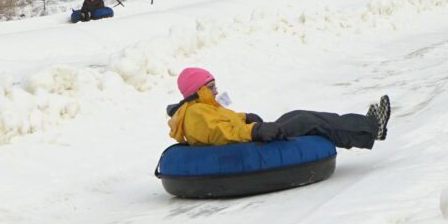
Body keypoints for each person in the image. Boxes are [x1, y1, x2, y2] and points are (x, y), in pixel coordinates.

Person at [165, 66, 388, 151]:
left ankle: (365, 125)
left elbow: (225, 123)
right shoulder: (196, 114)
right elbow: (221, 134)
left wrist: (245, 118)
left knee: (296, 115)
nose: (216, 91)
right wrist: (254, 130)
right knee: (307, 122)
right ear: (197, 90)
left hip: (250, 137)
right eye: (211, 87)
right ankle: (371, 129)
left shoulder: (203, 107)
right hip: (248, 145)